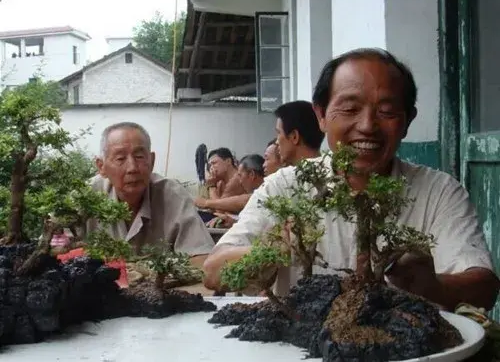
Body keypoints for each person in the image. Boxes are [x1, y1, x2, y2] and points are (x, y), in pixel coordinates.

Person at [202, 48, 499, 311]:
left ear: (407, 121)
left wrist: (434, 287)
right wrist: (274, 251)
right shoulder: (285, 186)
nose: (367, 126)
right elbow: (213, 272)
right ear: (321, 115)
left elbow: (484, 287)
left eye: (387, 111)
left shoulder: (439, 193)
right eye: (350, 109)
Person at [87, 122, 215, 269]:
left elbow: (202, 257)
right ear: (101, 166)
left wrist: (148, 273)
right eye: (120, 159)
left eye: (140, 156)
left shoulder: (172, 195)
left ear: (152, 161)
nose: (132, 168)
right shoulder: (86, 197)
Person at [274, 100, 324, 166]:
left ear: (294, 136)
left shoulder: (284, 175)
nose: (276, 142)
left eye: (279, 133)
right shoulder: (334, 171)